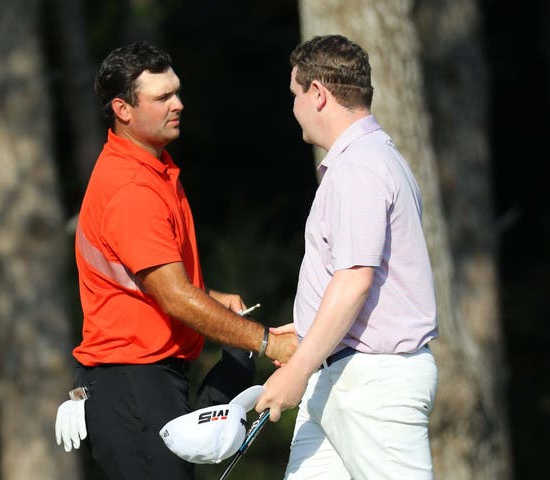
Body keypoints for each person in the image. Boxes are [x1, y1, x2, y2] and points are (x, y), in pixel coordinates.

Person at [65, 41, 297, 480]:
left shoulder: (153, 167)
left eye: (177, 91)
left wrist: (207, 295)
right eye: (162, 97)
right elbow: (172, 296)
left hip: (145, 380)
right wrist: (268, 343)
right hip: (131, 385)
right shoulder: (132, 188)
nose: (179, 104)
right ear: (123, 109)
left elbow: (149, 278)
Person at [255, 35, 439, 479]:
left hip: (372, 385)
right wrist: (310, 328)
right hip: (339, 378)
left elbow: (355, 279)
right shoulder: (371, 160)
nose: (294, 107)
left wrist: (295, 371)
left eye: (295, 94)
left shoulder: (360, 167)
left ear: (317, 94)